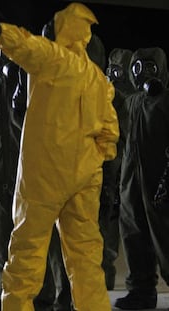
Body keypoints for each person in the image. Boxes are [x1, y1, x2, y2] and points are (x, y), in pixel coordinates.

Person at [0, 2, 119, 311]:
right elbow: (110, 135)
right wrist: (91, 161)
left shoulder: (53, 59)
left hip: (43, 175)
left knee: (25, 256)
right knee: (85, 260)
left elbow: (22, 44)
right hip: (84, 179)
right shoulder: (98, 80)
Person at [0, 45, 72, 311]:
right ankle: (9, 295)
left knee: (37, 238)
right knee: (2, 239)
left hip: (33, 176)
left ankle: (44, 296)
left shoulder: (36, 88)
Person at [115, 47, 169, 310]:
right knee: (133, 235)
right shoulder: (132, 102)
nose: (142, 74)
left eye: (149, 67)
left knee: (165, 237)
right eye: (137, 68)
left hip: (159, 182)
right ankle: (141, 290)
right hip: (132, 183)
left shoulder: (166, 102)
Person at [100, 48, 134, 290]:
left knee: (133, 229)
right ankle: (105, 275)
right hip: (112, 171)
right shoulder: (106, 95)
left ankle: (136, 281)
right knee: (108, 226)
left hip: (125, 171)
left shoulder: (129, 98)